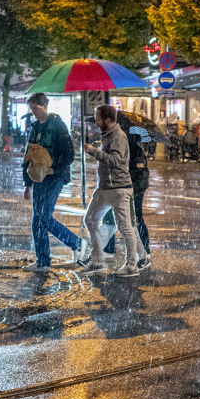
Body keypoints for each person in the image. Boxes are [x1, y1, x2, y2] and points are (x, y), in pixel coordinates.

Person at [21, 92, 87, 272]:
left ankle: (76, 243)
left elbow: (69, 154)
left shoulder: (58, 125)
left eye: (35, 108)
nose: (33, 112)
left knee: (43, 217)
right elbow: (29, 155)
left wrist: (54, 169)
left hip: (54, 178)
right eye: (31, 108)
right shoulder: (35, 128)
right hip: (38, 178)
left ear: (44, 106)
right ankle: (43, 262)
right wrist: (28, 183)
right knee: (37, 220)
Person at [82, 104, 146, 277]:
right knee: (90, 220)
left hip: (119, 189)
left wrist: (94, 152)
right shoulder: (108, 135)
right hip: (104, 188)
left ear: (108, 120)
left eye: (98, 119)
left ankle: (132, 265)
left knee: (125, 227)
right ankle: (97, 261)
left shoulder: (118, 136)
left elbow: (117, 161)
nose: (96, 122)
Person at [104, 130, 151, 259]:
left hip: (133, 189)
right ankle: (108, 247)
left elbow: (138, 173)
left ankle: (144, 251)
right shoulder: (122, 148)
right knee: (112, 216)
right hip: (124, 187)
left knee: (135, 219)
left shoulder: (134, 150)